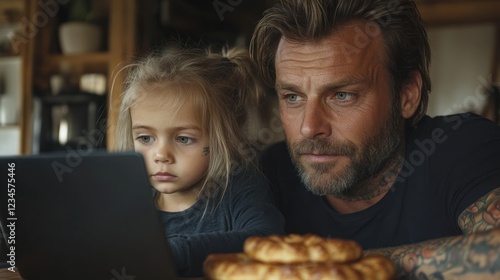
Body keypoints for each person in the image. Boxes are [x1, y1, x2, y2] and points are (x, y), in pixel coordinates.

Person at [250, 0, 500, 278]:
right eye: (293, 97)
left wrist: (346, 265)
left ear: (407, 96)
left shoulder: (461, 146)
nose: (309, 127)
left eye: (342, 95)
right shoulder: (268, 175)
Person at [114, 45, 284, 277]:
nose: (161, 155)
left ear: (221, 138)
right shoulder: (131, 204)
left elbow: (268, 239)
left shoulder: (238, 187)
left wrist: (177, 252)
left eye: (184, 139)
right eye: (145, 138)